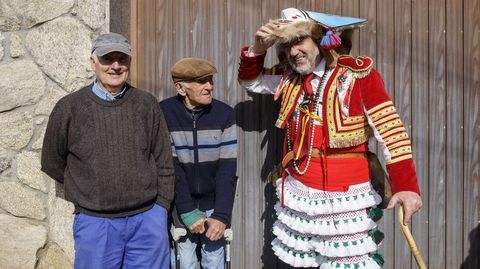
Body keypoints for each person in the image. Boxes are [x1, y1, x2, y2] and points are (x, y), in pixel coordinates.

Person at [238, 8, 423, 269]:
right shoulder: (288, 77)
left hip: (345, 197)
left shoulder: (356, 74)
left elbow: (391, 131)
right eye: (287, 45)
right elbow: (251, 81)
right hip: (298, 193)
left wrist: (405, 185)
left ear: (320, 39)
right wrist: (258, 48)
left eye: (299, 41)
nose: (293, 52)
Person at [41, 32, 175, 269]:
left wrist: (161, 208)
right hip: (96, 223)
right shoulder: (69, 108)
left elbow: (163, 158)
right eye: (107, 58)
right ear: (93, 63)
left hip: (147, 221)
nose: (115, 66)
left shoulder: (146, 104)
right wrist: (87, 192)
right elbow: (52, 161)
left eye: (122, 59)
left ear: (129, 63)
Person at [160, 58, 237, 269]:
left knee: (214, 261)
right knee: (184, 261)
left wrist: (221, 215)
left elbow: (227, 169)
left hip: (214, 204)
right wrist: (186, 209)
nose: (210, 86)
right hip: (180, 204)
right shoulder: (164, 113)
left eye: (210, 80)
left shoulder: (225, 114)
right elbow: (170, 167)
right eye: (201, 82)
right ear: (180, 88)